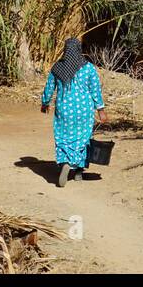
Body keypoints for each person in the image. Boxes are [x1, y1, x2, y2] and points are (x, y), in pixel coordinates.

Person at [40, 37, 107, 186]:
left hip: (64, 109)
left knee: (63, 137)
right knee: (83, 139)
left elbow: (49, 87)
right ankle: (78, 172)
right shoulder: (88, 68)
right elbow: (95, 90)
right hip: (84, 110)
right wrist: (101, 109)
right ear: (79, 50)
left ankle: (64, 162)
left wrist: (45, 103)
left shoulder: (57, 67)